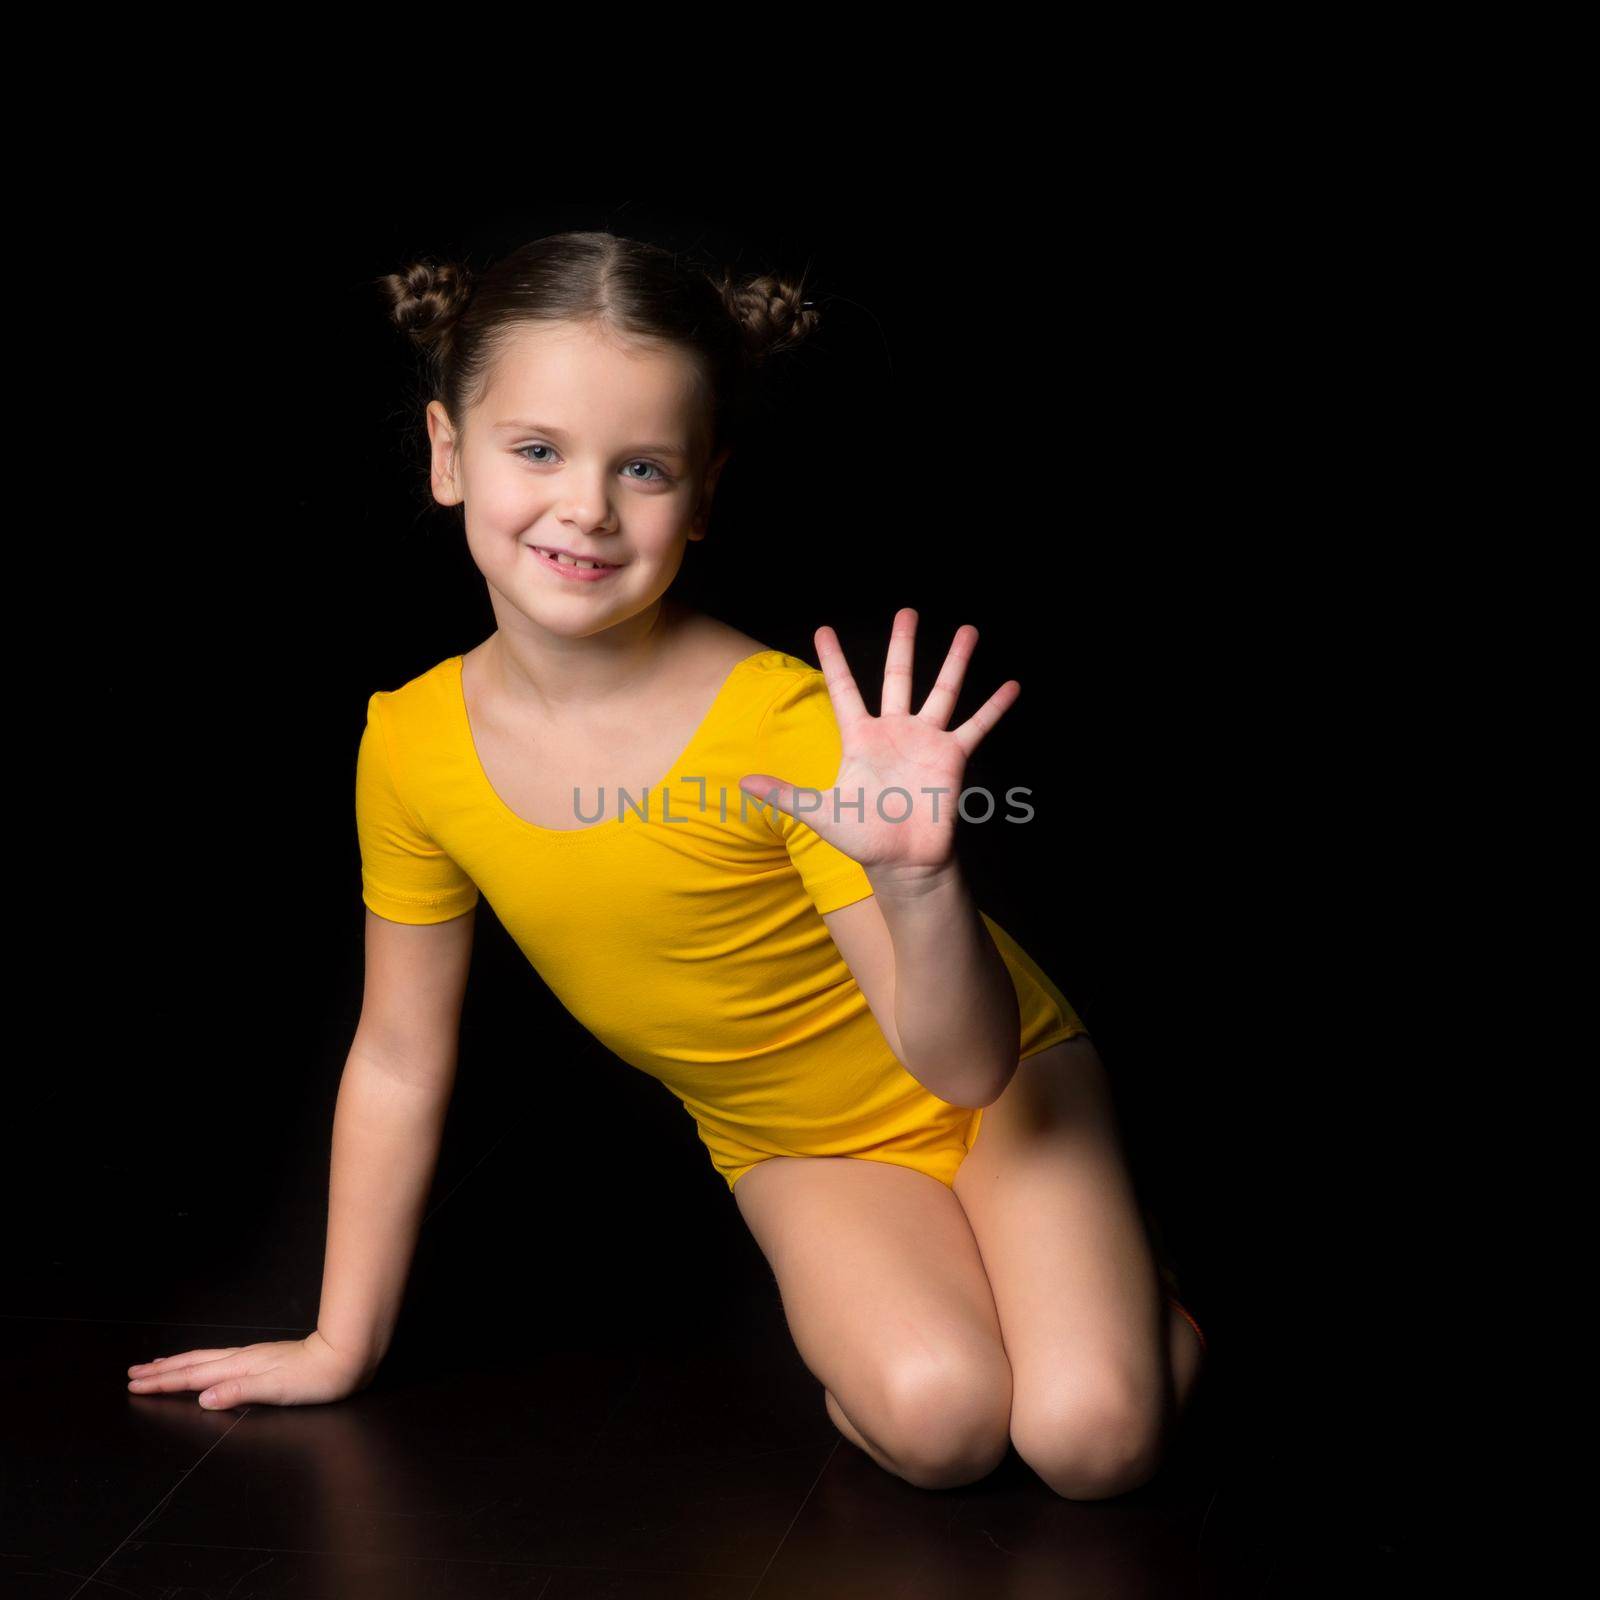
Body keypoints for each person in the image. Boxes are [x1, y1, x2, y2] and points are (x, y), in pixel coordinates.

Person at [124, 229, 1208, 1500]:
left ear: (701, 497)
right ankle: (1025, 1308)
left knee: (1088, 1443)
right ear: (445, 453)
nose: (585, 506)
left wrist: (920, 882)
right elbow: (402, 1056)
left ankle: (1131, 1305)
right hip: (794, 1142)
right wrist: (338, 1339)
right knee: (942, 1421)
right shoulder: (410, 744)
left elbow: (964, 1065)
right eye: (538, 450)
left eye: (641, 467)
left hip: (1001, 1083)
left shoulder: (782, 725)